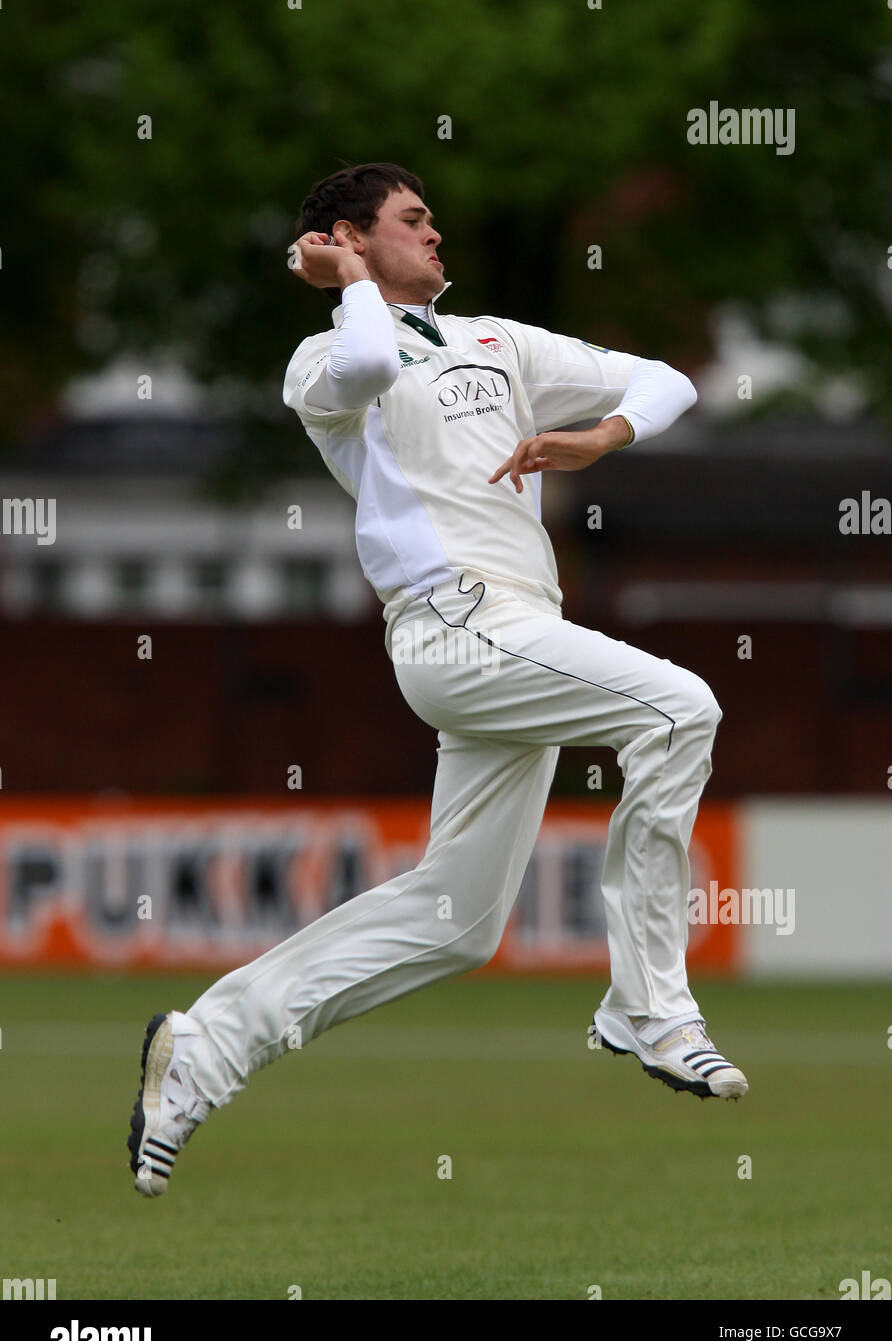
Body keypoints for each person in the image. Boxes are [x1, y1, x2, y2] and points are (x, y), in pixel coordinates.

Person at [128, 162, 747, 1199]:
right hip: (456, 627)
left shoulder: (494, 340)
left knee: (456, 920)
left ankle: (203, 1048)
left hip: (519, 634)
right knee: (683, 708)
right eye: (412, 221)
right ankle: (647, 1003)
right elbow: (369, 354)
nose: (438, 235)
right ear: (346, 238)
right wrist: (341, 281)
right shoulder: (322, 358)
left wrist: (601, 434)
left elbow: (667, 381)